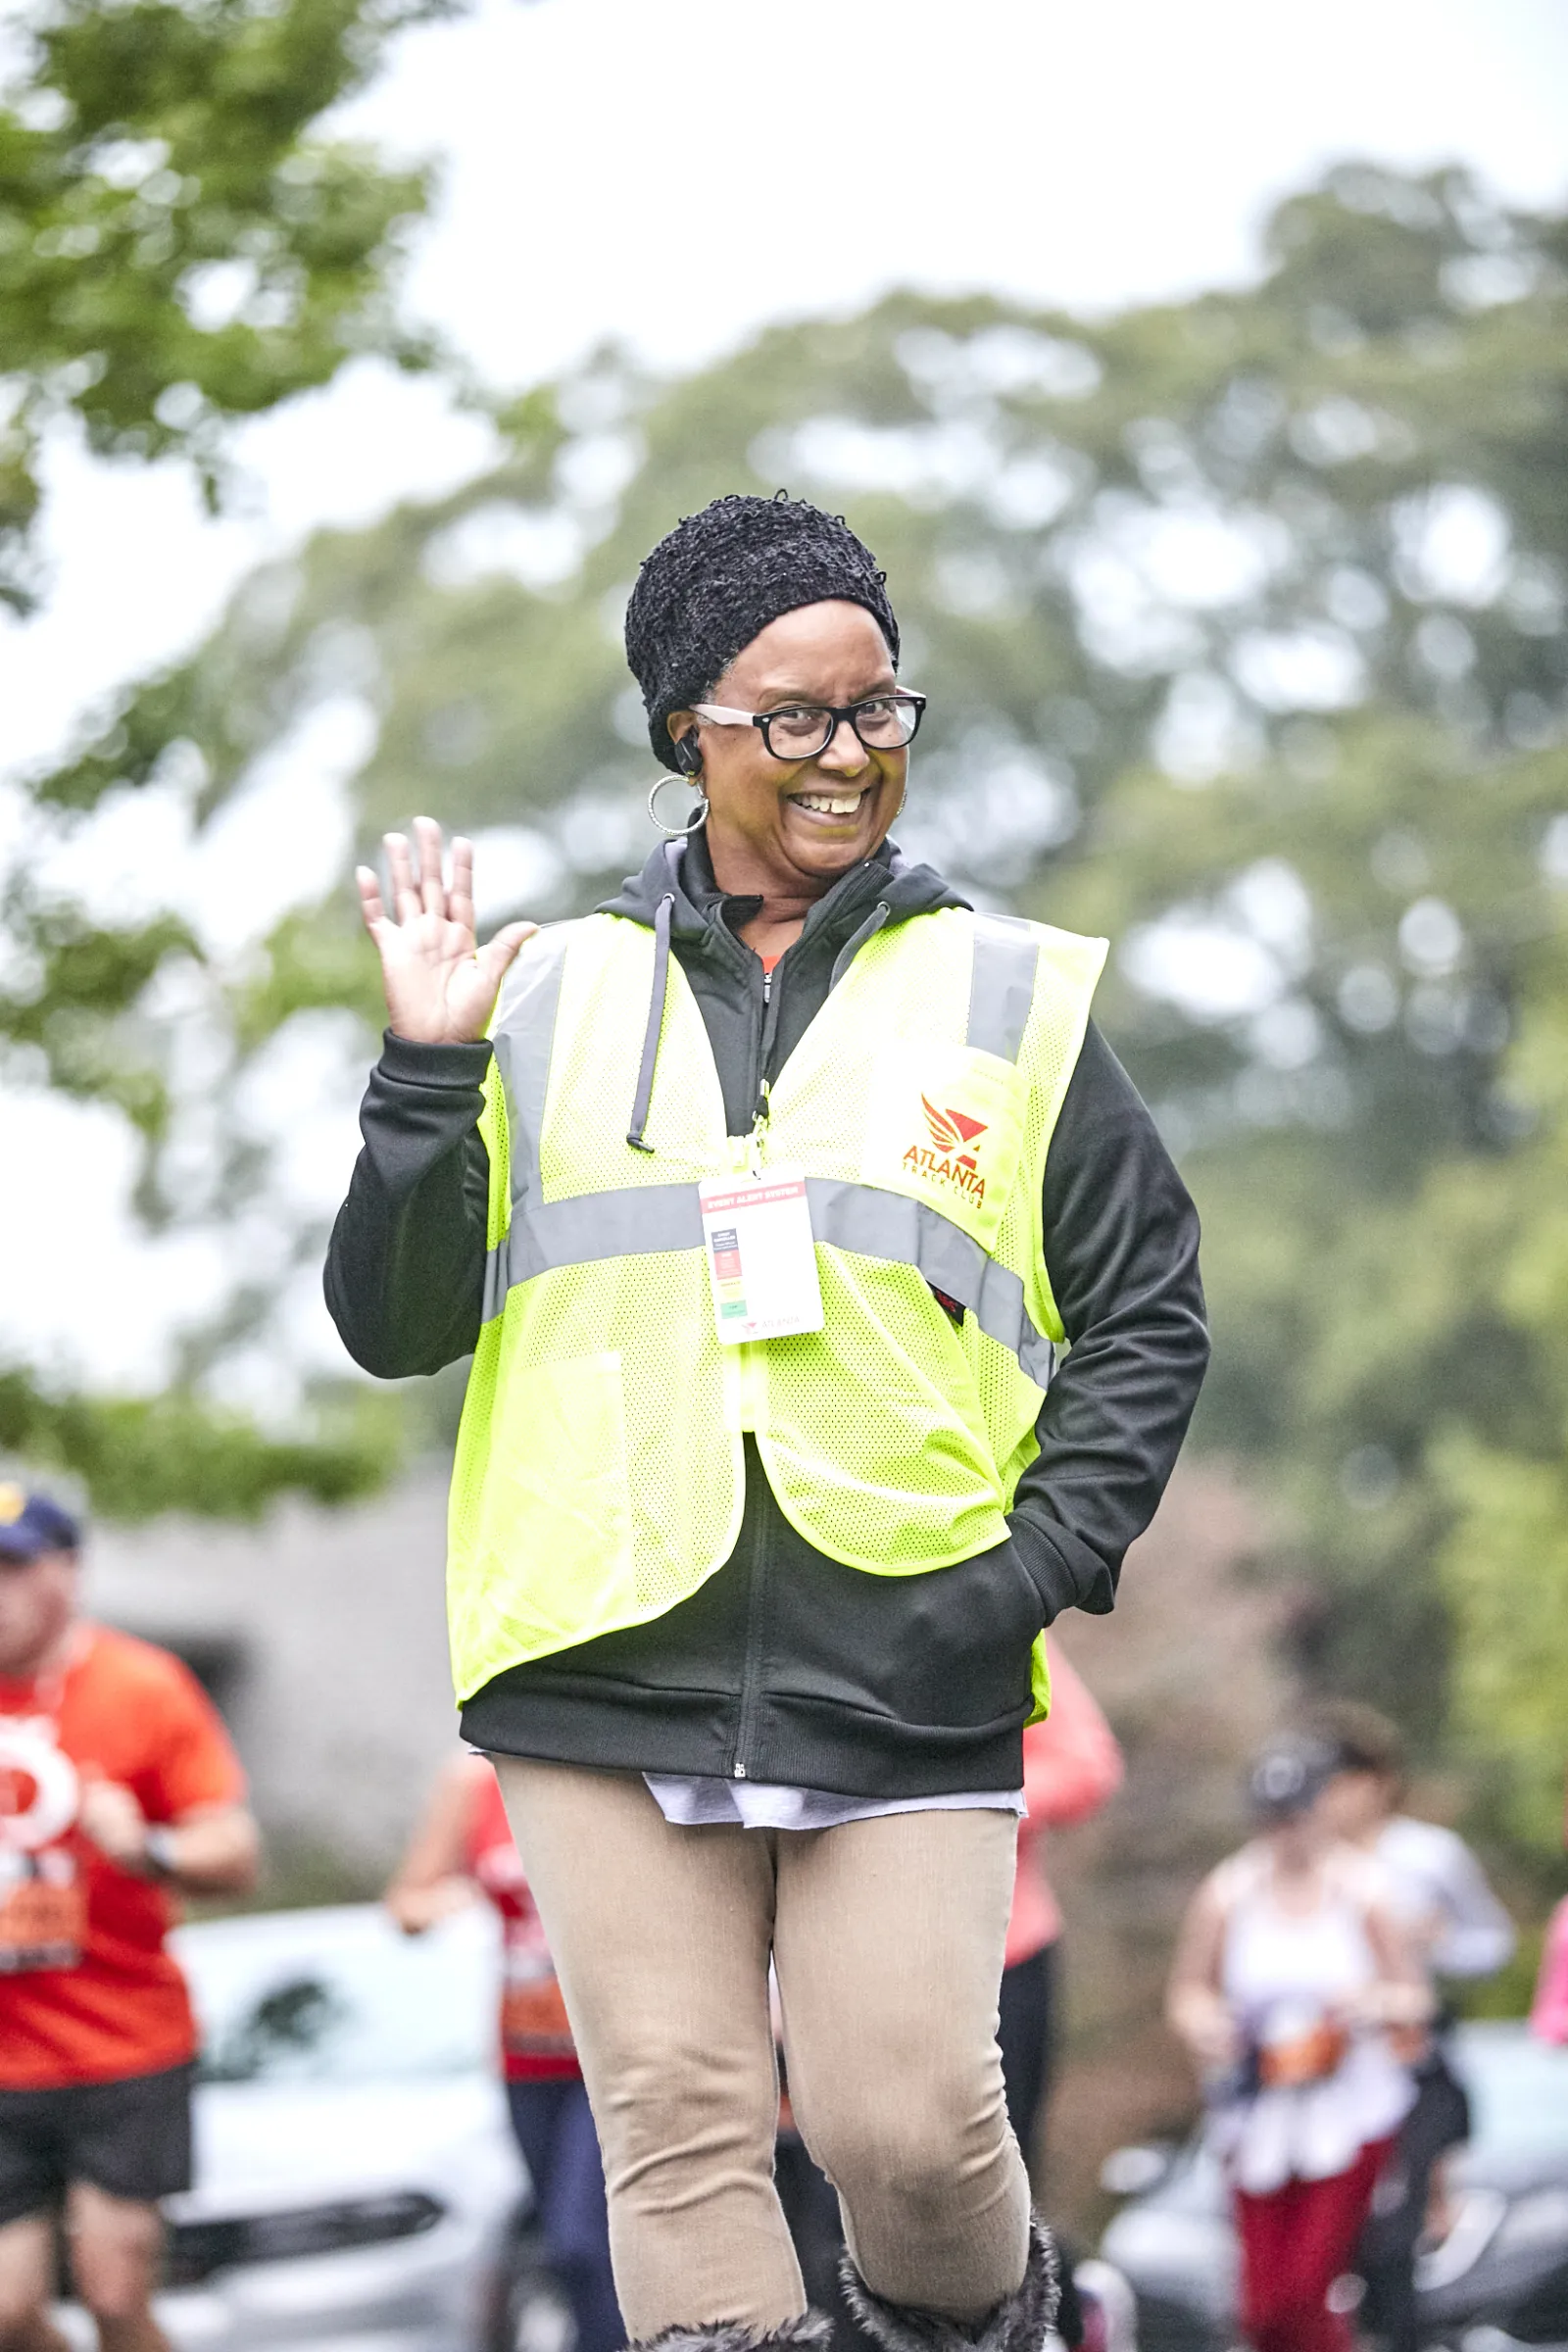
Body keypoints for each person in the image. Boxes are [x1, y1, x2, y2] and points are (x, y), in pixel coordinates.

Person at [325, 491, 1209, 2352]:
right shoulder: (544, 992)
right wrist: (421, 1077)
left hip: (910, 1636)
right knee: (676, 2124)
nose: (847, 754)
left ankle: (1001, 2326)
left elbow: (1147, 1311)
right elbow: (395, 1326)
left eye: (879, 709)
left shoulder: (1006, 994)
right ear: (686, 735)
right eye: (793, 717)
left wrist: (1033, 1567)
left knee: (909, 2129)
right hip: (600, 1637)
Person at [0, 1487, 259, 2352]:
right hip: (5, 2062)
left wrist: (148, 1847)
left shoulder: (141, 1685)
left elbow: (235, 1851)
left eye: (12, 1568)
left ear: (68, 1572)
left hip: (125, 2046)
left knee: (115, 2296)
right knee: (6, 2314)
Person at [1166, 1735, 1429, 2352]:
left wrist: (1369, 2006)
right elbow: (1188, 1993)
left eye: (1297, 1816)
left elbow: (1413, 1998)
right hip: (1260, 2108)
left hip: (1346, 2110)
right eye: (1273, 1820)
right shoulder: (1229, 1893)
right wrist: (1208, 2024)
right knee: (1262, 2309)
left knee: (1307, 2288)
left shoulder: (1363, 1891)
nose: (1287, 1833)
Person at [386, 1752, 622, 2352]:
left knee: (585, 2241)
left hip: (612, 2055)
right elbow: (406, 1902)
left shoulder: (616, 1761)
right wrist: (447, 1902)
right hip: (527, 2061)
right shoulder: (474, 1780)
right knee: (561, 2249)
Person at [1310, 1699, 1514, 2352]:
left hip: (1411, 2054)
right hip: (1329, 2066)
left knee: (1397, 2229)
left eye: (1346, 1782)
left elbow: (1494, 1945)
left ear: (1379, 1782)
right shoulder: (1299, 1865)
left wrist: (1438, 1942)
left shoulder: (1427, 1856)